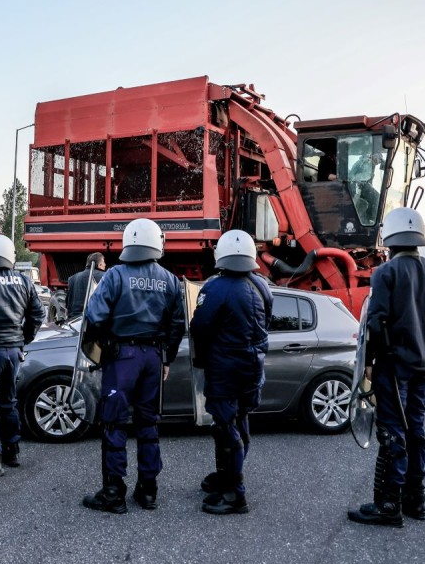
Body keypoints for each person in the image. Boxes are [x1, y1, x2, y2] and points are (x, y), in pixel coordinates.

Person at [347, 207, 425, 527]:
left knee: (393, 432)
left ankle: (387, 505)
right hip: (424, 367)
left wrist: (369, 362)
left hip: (393, 367)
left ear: (389, 237)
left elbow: (377, 321)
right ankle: (415, 500)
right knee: (416, 431)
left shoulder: (386, 273)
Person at [81, 218, 185, 513]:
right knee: (148, 423)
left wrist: (104, 343)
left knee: (114, 422)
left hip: (122, 357)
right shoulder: (169, 279)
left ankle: (113, 492)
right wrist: (167, 358)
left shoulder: (115, 275)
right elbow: (177, 324)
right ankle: (148, 490)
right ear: (157, 243)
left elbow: (95, 314)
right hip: (153, 357)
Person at [189, 230, 272, 515]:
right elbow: (267, 321)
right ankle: (225, 478)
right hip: (253, 367)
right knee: (240, 421)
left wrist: (201, 359)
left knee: (225, 427)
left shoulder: (215, 287)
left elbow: (199, 328)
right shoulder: (262, 285)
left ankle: (235, 493)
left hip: (224, 367)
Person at [0, 234, 45, 475]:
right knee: (9, 403)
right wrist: (23, 339)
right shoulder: (23, 281)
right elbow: (38, 314)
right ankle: (12, 452)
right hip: (14, 350)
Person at [66, 252, 106, 318]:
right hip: (91, 319)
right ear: (100, 264)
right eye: (104, 262)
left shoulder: (72, 278)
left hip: (73, 320)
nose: (105, 264)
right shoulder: (105, 276)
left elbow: (68, 301)